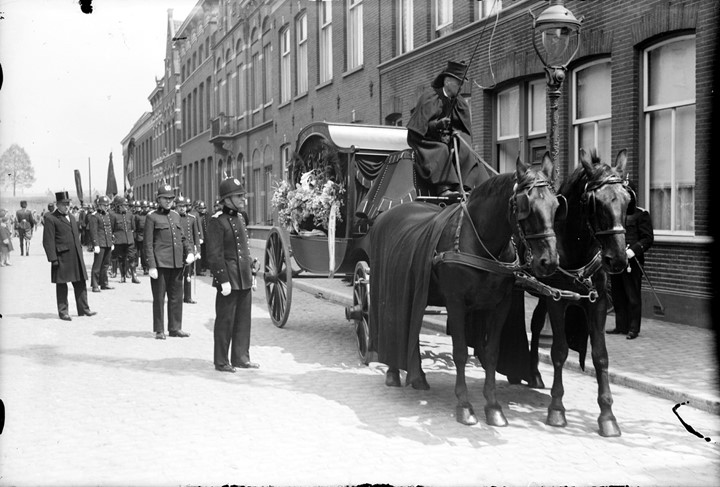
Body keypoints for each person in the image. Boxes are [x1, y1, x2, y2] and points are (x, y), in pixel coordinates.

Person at [406, 61, 487, 197]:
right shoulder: (430, 97)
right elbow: (419, 127)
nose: (461, 88)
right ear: (447, 81)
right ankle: (443, 188)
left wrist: (454, 133)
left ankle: (464, 187)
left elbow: (463, 126)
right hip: (425, 140)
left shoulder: (459, 102)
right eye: (459, 83)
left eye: (462, 84)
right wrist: (437, 125)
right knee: (442, 149)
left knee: (466, 146)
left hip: (448, 139)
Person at [207, 177, 259, 372]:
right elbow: (214, 254)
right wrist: (223, 280)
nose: (243, 199)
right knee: (225, 321)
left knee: (243, 320)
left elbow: (243, 249)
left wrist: (251, 268)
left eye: (242, 195)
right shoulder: (217, 221)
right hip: (228, 278)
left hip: (243, 277)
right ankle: (221, 360)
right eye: (239, 196)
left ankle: (240, 357)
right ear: (227, 199)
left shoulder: (241, 217)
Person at [144, 184, 195, 340]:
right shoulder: (151, 217)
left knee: (176, 297)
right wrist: (151, 265)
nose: (168, 201)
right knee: (159, 298)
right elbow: (148, 244)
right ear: (158, 199)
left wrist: (190, 252)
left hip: (176, 263)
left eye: (171, 199)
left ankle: (175, 327)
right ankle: (159, 329)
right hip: (160, 264)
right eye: (165, 198)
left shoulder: (176, 216)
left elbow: (183, 237)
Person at [607, 183, 654, 340]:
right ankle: (621, 326)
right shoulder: (615, 215)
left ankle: (634, 328)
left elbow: (647, 238)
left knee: (632, 295)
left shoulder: (642, 215)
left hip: (632, 263)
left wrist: (632, 251)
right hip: (616, 260)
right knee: (617, 294)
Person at [42, 192, 97, 321]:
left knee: (80, 282)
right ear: (57, 205)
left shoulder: (72, 217)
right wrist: (53, 258)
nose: (67, 207)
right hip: (61, 256)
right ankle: (63, 312)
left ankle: (84, 309)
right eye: (64, 204)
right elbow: (48, 241)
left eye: (68, 204)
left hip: (75, 255)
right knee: (61, 284)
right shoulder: (51, 218)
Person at [176, 196, 201, 304]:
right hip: (178, 248)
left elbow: (196, 235)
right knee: (178, 274)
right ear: (176, 207)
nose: (182, 208)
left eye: (184, 206)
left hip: (189, 249)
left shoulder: (192, 218)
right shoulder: (173, 218)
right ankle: (177, 296)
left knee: (188, 274)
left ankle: (188, 297)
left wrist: (198, 250)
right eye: (180, 206)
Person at [110, 196, 140, 284]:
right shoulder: (113, 215)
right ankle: (123, 276)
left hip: (129, 240)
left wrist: (132, 238)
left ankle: (134, 276)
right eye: (123, 205)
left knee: (132, 258)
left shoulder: (130, 214)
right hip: (119, 240)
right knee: (121, 258)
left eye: (126, 205)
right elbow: (112, 228)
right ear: (118, 206)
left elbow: (133, 227)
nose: (125, 207)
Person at [89, 196, 115, 292]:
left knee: (106, 265)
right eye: (104, 205)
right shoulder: (94, 216)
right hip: (100, 244)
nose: (106, 207)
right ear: (99, 205)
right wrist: (95, 244)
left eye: (107, 205)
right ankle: (95, 284)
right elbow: (93, 231)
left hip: (107, 243)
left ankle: (104, 283)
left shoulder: (108, 215)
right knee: (97, 265)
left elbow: (109, 230)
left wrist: (111, 242)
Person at [189, 200, 207, 275]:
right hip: (195, 236)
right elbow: (199, 226)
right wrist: (201, 237)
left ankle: (194, 270)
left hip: (193, 236)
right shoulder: (195, 214)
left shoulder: (191, 213)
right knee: (196, 253)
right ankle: (197, 270)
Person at [134, 200, 149, 275]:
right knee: (140, 253)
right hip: (140, 237)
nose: (145, 209)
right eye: (143, 207)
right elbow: (135, 227)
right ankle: (142, 267)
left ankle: (147, 267)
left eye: (146, 207)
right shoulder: (138, 216)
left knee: (146, 253)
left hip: (148, 237)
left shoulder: (150, 216)